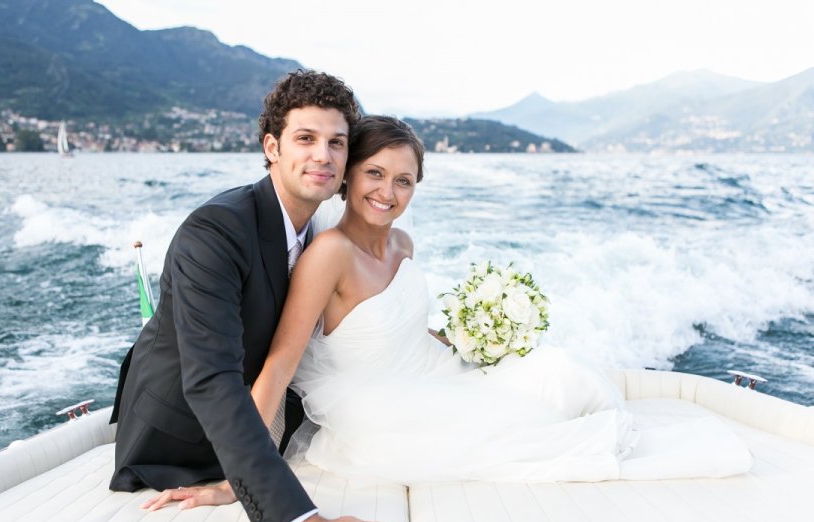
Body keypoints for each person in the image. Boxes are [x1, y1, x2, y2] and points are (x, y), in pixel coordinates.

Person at [247, 115, 755, 485]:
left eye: (404, 181)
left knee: (558, 371)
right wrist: (243, 468)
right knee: (526, 420)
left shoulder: (402, 244)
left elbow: (400, 325)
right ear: (349, 176)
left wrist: (470, 339)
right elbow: (284, 357)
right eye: (375, 173)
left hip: (433, 365)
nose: (388, 191)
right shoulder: (329, 254)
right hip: (377, 396)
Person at [109, 71, 414, 522]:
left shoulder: (320, 226)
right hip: (184, 437)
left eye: (336, 143)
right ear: (272, 147)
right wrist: (298, 520)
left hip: (271, 411)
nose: (323, 155)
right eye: (306, 139)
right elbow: (210, 381)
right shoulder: (215, 231)